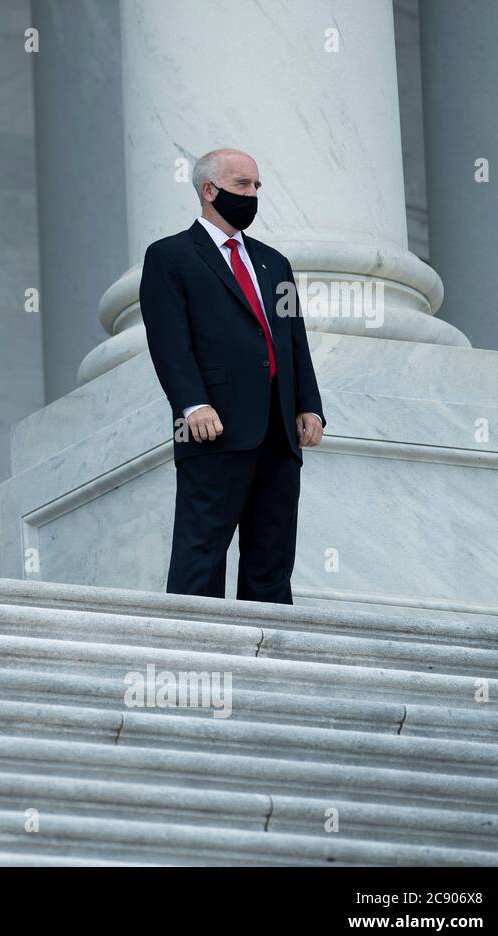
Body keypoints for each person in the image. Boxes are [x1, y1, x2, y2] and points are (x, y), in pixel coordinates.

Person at [140, 148, 325, 603]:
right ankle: (193, 643)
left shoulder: (274, 262)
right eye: (242, 185)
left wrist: (309, 404)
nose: (252, 194)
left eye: (256, 185)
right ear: (209, 190)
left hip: (279, 432)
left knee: (272, 561)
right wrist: (192, 403)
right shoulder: (170, 256)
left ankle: (269, 647)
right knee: (201, 554)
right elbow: (169, 342)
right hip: (214, 428)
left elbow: (293, 338)